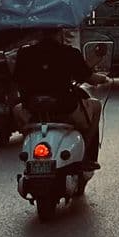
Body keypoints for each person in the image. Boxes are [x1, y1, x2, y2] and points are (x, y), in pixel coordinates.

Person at [14, 26, 101, 166]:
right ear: (60, 32)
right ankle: (87, 156)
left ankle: (30, 147)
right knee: (96, 106)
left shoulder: (25, 53)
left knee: (16, 110)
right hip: (65, 109)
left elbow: (17, 80)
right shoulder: (69, 53)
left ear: (39, 32)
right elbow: (89, 78)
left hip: (33, 110)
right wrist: (103, 79)